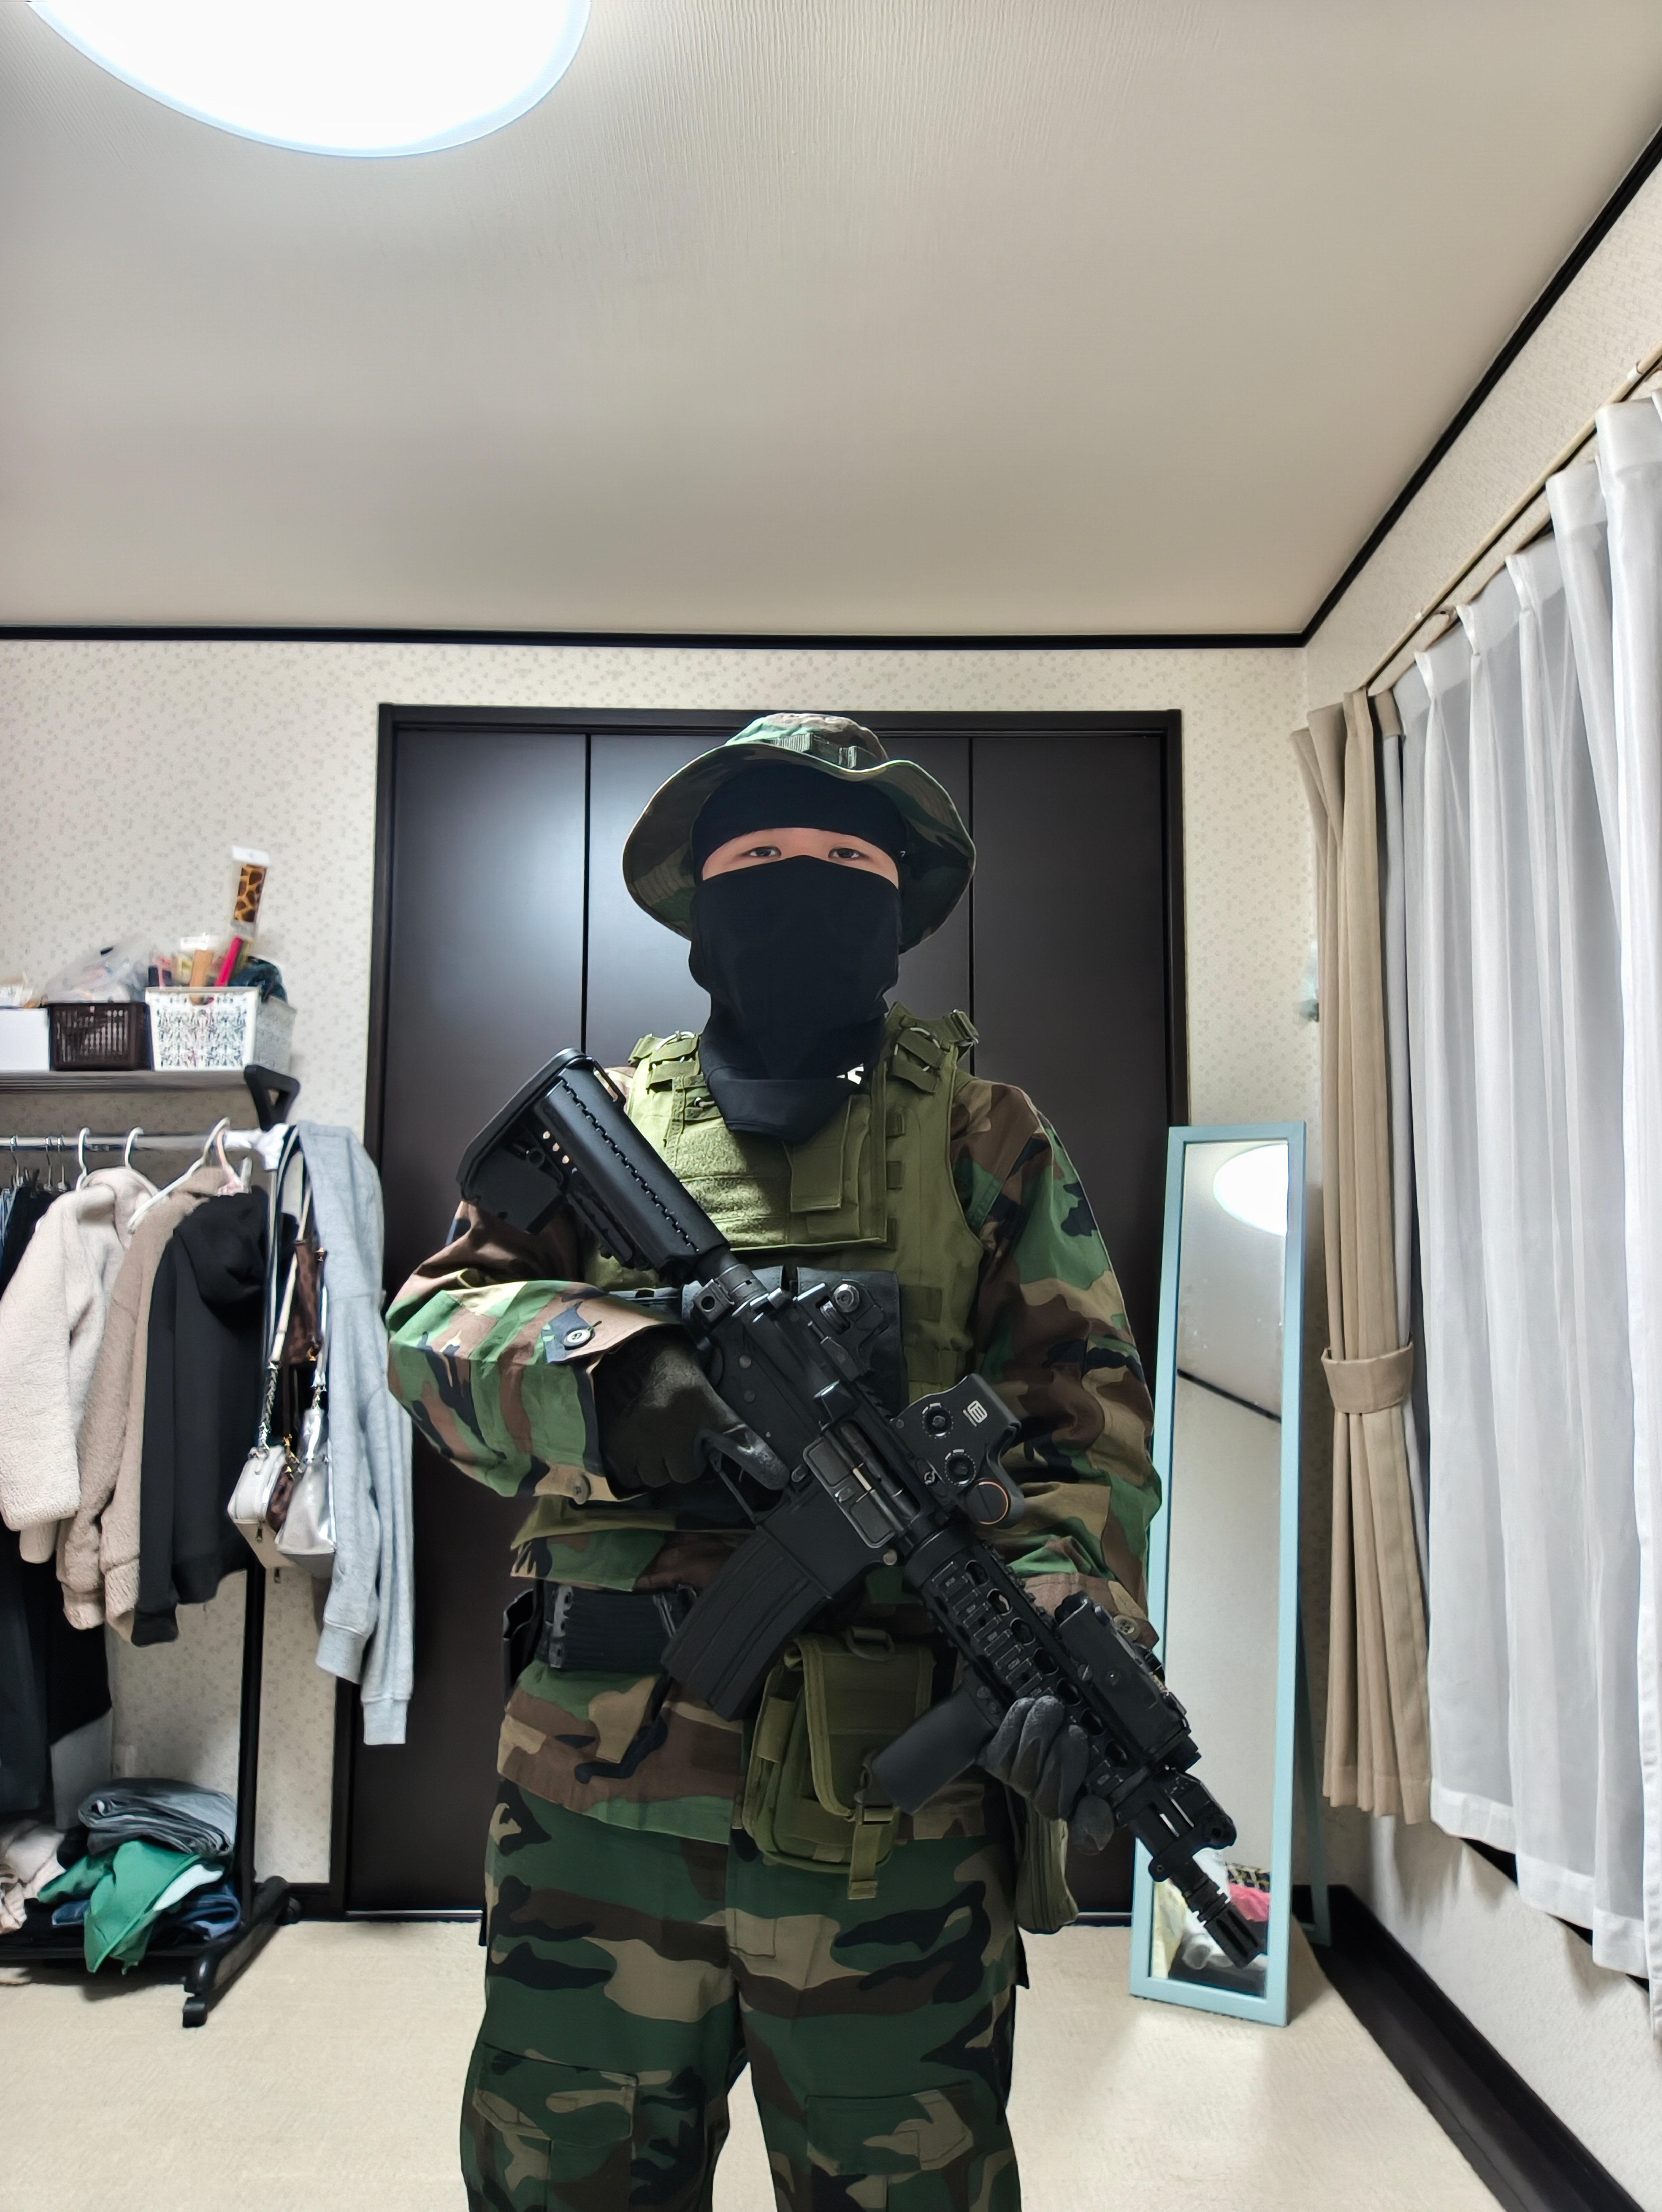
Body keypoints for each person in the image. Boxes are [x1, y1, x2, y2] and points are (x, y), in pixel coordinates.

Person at [386, 714, 1161, 2212]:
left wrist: (1072, 1619)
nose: (800, 886)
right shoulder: (606, 1128)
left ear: (898, 910)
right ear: (700, 903)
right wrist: (620, 1379)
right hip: (598, 1798)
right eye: (760, 855)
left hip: (897, 1815)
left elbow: (1086, 1428)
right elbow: (428, 1336)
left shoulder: (985, 1137)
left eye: (843, 862)